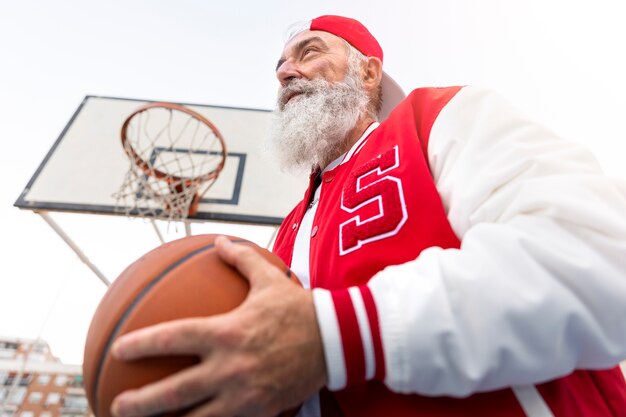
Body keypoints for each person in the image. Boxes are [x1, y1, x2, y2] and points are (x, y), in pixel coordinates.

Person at [109, 15, 626, 417]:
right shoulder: (285, 234)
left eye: (308, 53)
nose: (286, 71)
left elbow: (597, 254)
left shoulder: (438, 119)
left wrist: (335, 335)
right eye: (280, 66)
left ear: (369, 70)